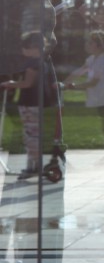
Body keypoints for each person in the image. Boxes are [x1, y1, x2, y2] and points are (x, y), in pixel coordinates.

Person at [1, 31, 60, 180]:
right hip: (39, 102)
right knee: (34, 134)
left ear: (34, 47)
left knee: (31, 135)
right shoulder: (44, 62)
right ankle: (34, 165)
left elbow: (28, 83)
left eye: (25, 46)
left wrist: (11, 84)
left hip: (29, 102)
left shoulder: (32, 63)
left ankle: (34, 166)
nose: (23, 49)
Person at [64, 30, 104, 148]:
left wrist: (74, 87)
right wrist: (65, 82)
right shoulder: (92, 59)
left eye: (91, 42)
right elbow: (79, 71)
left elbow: (93, 83)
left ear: (100, 45)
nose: (87, 44)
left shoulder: (101, 61)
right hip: (102, 98)